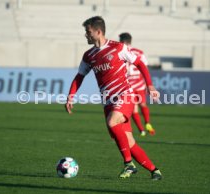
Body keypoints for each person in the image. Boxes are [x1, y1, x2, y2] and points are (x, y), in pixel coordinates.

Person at [65, 16, 162, 180]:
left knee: (112, 122)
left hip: (125, 95)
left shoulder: (118, 48)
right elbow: (79, 76)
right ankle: (155, 171)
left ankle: (128, 165)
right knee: (127, 142)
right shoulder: (89, 55)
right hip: (108, 102)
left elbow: (140, 63)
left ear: (98, 31)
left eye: (88, 32)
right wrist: (70, 96)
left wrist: (150, 85)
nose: (85, 35)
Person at [119, 32, 156, 137]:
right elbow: (145, 67)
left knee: (134, 109)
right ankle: (147, 122)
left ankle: (141, 130)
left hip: (129, 86)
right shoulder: (139, 52)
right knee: (143, 104)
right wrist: (148, 84)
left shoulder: (121, 52)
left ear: (122, 41)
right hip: (140, 84)